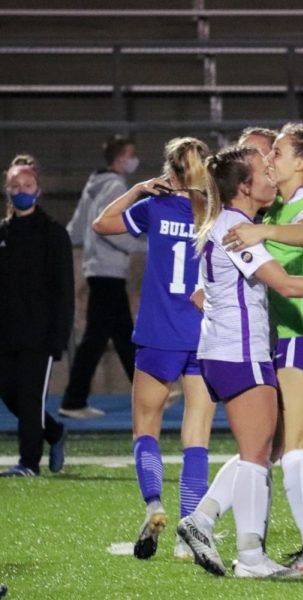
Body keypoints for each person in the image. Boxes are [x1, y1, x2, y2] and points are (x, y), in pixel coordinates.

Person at [179, 144, 303, 577]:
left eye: (275, 158)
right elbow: (285, 283)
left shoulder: (242, 221)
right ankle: (257, 553)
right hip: (241, 351)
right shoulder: (239, 227)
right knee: (263, 452)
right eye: (261, 170)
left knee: (268, 448)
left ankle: (206, 521)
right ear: (245, 187)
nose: (269, 171)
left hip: (231, 349)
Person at [93, 137, 218, 560]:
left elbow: (101, 224)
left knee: (145, 428)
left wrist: (139, 188)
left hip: (158, 332)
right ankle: (189, 532)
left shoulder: (155, 206)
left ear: (170, 171)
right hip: (203, 334)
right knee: (197, 434)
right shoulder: (218, 213)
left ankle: (153, 504)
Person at [61, 134, 145, 419]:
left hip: (98, 270)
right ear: (121, 157)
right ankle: (73, 400)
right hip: (108, 271)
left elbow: (76, 227)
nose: (134, 160)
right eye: (131, 154)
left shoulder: (93, 184)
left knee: (119, 335)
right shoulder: (115, 186)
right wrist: (143, 245)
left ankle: (145, 392)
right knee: (102, 337)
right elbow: (105, 227)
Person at [0, 162, 73, 477]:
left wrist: (58, 338)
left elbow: (64, 290)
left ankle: (29, 463)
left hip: (39, 335)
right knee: (9, 392)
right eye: (15, 187)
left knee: (30, 397)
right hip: (5, 332)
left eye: (27, 186)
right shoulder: (3, 233)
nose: (21, 192)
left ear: (38, 190)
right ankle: (54, 431)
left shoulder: (53, 234)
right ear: (7, 190)